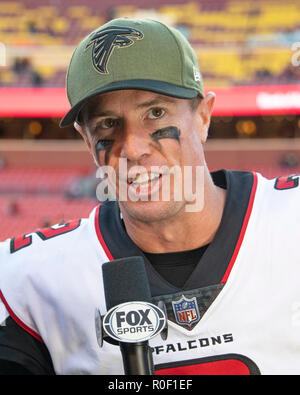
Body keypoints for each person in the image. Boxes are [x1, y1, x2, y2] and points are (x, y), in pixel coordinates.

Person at [0, 17, 299, 376]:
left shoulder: (289, 222)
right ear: (86, 139)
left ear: (203, 117)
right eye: (108, 124)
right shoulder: (32, 280)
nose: (133, 148)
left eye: (155, 113)